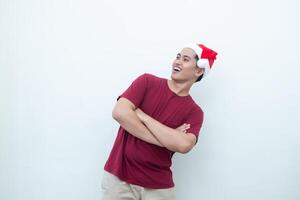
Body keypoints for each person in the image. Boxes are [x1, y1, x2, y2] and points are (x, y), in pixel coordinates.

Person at [101, 43, 218, 200]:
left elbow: (184, 145)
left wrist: (143, 116)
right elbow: (119, 112)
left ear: (198, 70)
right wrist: (168, 139)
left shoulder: (194, 112)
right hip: (119, 179)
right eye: (177, 57)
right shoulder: (147, 82)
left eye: (185, 59)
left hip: (159, 187)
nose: (177, 62)